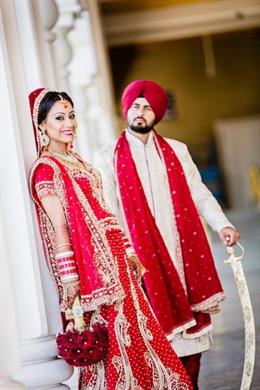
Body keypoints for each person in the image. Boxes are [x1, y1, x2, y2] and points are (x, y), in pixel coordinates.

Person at [29, 88, 192, 389]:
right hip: (95, 275)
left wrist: (129, 251)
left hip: (118, 264)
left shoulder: (79, 162)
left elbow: (106, 213)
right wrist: (70, 282)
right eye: (60, 117)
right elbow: (60, 228)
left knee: (140, 337)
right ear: (42, 125)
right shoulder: (46, 170)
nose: (69, 123)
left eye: (72, 115)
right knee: (113, 347)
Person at [94, 80, 240, 389]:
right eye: (135, 105)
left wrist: (222, 224)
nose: (141, 112)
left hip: (182, 254)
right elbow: (107, 211)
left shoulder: (177, 150)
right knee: (157, 338)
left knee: (193, 338)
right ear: (126, 109)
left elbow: (199, 193)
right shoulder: (107, 157)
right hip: (140, 262)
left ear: (157, 114)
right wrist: (123, 257)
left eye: (148, 107)